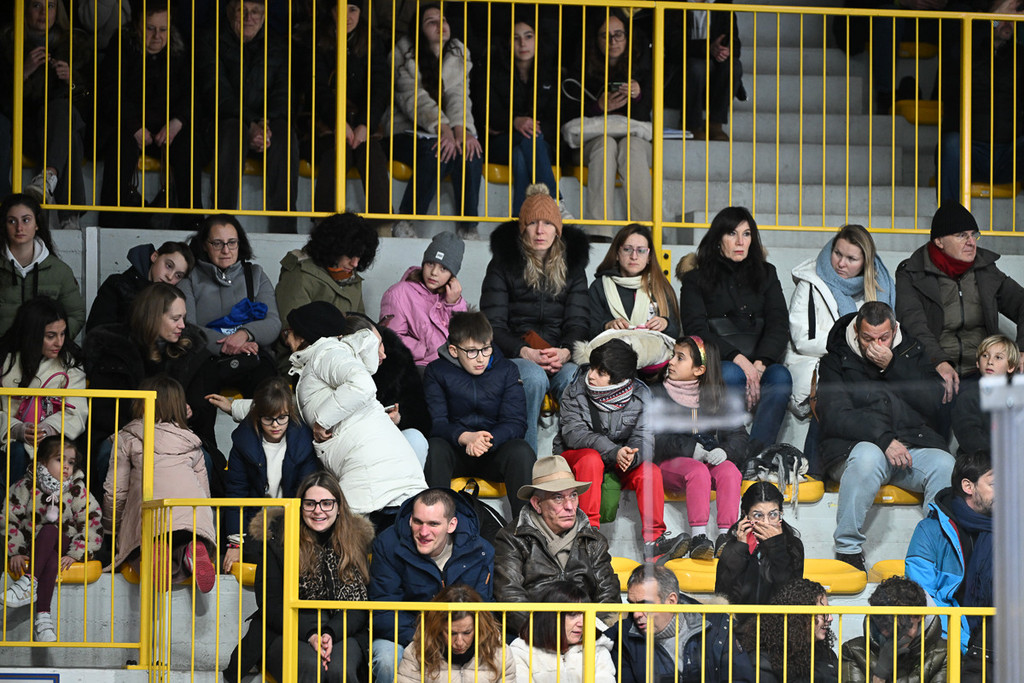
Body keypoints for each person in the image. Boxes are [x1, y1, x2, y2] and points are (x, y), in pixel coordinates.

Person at [817, 301, 954, 572]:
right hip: (854, 450)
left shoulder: (912, 350)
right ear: (856, 331)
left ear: (895, 330)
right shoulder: (836, 359)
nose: (876, 345)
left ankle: (934, 551)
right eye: (868, 338)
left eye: (884, 338)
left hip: (908, 447)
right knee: (868, 457)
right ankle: (848, 548)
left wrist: (894, 366)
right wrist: (883, 439)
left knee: (945, 465)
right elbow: (835, 415)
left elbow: (935, 402)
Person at [224, 471, 375, 683]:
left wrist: (330, 634)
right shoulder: (278, 539)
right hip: (286, 627)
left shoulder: (354, 542)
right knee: (310, 667)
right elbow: (271, 604)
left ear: (339, 507)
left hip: (341, 628)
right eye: (310, 504)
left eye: (326, 503)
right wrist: (311, 634)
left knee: (340, 670)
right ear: (300, 506)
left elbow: (359, 607)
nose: (318, 510)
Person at [284, 302, 426, 524]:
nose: (285, 337)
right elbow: (288, 406)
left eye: (290, 331)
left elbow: (362, 385)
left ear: (304, 334)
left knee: (342, 537)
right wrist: (234, 407)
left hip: (371, 474)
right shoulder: (319, 360)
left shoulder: (327, 354)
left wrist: (322, 422)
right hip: (376, 472)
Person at [480, 185, 590, 453]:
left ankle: (571, 460)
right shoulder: (502, 263)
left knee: (573, 378)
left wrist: (565, 351)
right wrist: (524, 351)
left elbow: (578, 322)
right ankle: (525, 460)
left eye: (548, 223)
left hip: (558, 355)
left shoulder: (573, 266)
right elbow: (493, 325)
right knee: (533, 378)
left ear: (558, 229)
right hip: (516, 354)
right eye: (532, 223)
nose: (540, 231)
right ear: (522, 228)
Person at [678, 206, 792, 457]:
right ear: (718, 239)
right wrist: (740, 360)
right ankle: (729, 451)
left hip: (760, 359)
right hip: (720, 360)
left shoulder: (767, 273)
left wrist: (760, 364)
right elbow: (696, 330)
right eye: (732, 233)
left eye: (747, 234)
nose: (740, 241)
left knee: (781, 377)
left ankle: (757, 455)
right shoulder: (695, 279)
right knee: (731, 373)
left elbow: (779, 323)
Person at [84, 283, 219, 493]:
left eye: (184, 318)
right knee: (107, 454)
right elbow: (104, 413)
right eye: (175, 319)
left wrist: (189, 412)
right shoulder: (114, 352)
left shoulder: (192, 354)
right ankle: (106, 514)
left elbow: (203, 408)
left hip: (177, 437)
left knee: (204, 460)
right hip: (126, 434)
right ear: (153, 317)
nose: (183, 325)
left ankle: (193, 516)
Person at [556, 339, 683, 561]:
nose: (592, 375)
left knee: (650, 471)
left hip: (618, 461)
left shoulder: (641, 395)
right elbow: (574, 434)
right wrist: (614, 451)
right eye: (592, 367)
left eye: (601, 372)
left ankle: (654, 542)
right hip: (578, 461)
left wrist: (632, 456)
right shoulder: (574, 390)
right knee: (591, 459)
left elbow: (644, 437)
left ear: (621, 379)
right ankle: (588, 537)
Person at [786, 224, 895, 475]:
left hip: (865, 368)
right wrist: (853, 347)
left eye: (851, 259)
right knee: (833, 390)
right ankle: (813, 471)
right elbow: (802, 339)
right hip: (816, 363)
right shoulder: (811, 283)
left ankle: (863, 467)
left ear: (865, 262)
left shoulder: (881, 286)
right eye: (837, 253)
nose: (841, 263)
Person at [895, 203, 1024, 406]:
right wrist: (938, 361)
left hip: (983, 370)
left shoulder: (985, 269)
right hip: (935, 370)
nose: (971, 242)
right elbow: (913, 324)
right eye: (961, 236)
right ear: (939, 241)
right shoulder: (912, 273)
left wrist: (1022, 349)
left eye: (973, 235)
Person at [102, 375, 217, 593]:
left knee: (136, 551)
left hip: (151, 515)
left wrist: (111, 529)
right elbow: (204, 490)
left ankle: (154, 550)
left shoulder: (127, 438)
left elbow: (115, 490)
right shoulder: (191, 441)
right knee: (180, 537)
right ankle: (190, 549)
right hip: (192, 516)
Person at [368, 488, 495, 683]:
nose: (424, 532)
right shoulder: (388, 544)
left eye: (433, 524)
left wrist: (452, 638)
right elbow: (384, 609)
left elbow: (482, 608)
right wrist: (428, 639)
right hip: (405, 634)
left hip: (458, 636)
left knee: (498, 654)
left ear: (452, 525)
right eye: (418, 522)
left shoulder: (480, 550)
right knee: (387, 660)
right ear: (410, 520)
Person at [196, 0, 298, 233]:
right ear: (229, 11)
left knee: (284, 133)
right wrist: (251, 122)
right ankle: (221, 223)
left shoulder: (277, 45)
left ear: (264, 15)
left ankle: (285, 227)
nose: (248, 17)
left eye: (255, 11)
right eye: (241, 11)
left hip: (264, 125)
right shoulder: (211, 40)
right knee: (233, 130)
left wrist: (264, 124)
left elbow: (284, 93)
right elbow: (217, 92)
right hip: (221, 123)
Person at [98, 0, 202, 224]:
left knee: (189, 143)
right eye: (150, 28)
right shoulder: (122, 43)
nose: (157, 36)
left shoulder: (179, 49)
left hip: (167, 128)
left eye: (163, 29)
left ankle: (192, 222)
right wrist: (134, 126)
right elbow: (110, 92)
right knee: (121, 143)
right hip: (129, 125)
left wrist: (177, 122)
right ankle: (111, 222)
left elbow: (192, 94)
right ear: (137, 25)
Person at [422, 312, 535, 517]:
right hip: (456, 451)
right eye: (472, 351)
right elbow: (437, 423)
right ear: (454, 350)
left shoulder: (507, 370)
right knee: (435, 448)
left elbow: (515, 422)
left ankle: (527, 527)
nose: (481, 358)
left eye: (486, 349)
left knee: (521, 451)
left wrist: (486, 440)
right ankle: (435, 521)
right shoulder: (436, 371)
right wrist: (465, 437)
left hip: (493, 450)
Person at [493, 456, 620, 636]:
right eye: (558, 498)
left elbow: (609, 596)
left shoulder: (594, 540)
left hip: (586, 638)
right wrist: (547, 635)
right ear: (537, 504)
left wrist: (588, 634)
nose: (569, 506)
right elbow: (509, 596)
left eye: (573, 495)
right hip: (533, 639)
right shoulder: (512, 538)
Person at [388, 2, 483, 236]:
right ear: (419, 30)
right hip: (403, 131)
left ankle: (468, 226)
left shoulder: (458, 53)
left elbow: (459, 95)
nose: (440, 25)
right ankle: (406, 221)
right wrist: (444, 128)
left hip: (443, 131)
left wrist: (461, 130)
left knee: (470, 151)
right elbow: (414, 98)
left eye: (443, 20)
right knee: (436, 150)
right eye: (431, 22)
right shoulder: (403, 54)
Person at [654, 336, 746, 559]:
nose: (671, 362)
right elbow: (655, 437)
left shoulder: (716, 395)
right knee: (697, 471)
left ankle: (726, 536)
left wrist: (725, 451)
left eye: (680, 358)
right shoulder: (659, 393)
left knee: (730, 471)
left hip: (703, 459)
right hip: (670, 462)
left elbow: (740, 435)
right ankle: (699, 538)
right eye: (673, 355)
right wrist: (690, 449)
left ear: (699, 370)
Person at [215, 377, 321, 572]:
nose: (275, 425)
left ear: (290, 413)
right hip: (256, 525)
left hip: (292, 523)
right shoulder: (243, 442)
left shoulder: (303, 442)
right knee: (264, 560)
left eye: (282, 418)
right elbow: (236, 494)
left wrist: (304, 535)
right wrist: (235, 543)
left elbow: (306, 493)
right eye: (268, 419)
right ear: (257, 415)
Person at [2, 436, 101, 642]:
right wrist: (16, 551)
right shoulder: (25, 486)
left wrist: (76, 553)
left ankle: (27, 582)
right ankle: (43, 619)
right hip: (35, 547)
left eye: (71, 462)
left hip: (65, 543)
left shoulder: (77, 489)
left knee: (49, 530)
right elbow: (9, 519)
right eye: (59, 459)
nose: (66, 466)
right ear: (42, 462)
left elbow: (92, 521)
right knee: (51, 558)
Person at [0, 0, 89, 226]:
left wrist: (71, 81)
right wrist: (23, 73)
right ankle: (69, 217)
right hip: (24, 132)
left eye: (50, 6)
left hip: (59, 129)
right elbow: (3, 104)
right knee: (68, 135)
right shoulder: (8, 43)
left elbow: (91, 107)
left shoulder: (74, 45)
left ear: (58, 11)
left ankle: (48, 179)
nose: (43, 13)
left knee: (63, 112)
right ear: (24, 9)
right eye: (36, 6)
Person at [566, 8, 653, 223]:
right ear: (596, 40)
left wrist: (638, 95)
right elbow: (568, 113)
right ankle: (600, 230)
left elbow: (646, 116)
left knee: (631, 147)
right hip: (592, 142)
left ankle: (642, 229)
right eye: (605, 35)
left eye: (618, 34)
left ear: (628, 37)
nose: (613, 41)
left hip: (635, 141)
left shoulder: (645, 70)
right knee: (605, 146)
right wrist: (598, 107)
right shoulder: (581, 69)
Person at [179, 214, 281, 396]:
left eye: (232, 242)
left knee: (269, 394)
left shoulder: (255, 275)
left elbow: (273, 323)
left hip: (251, 356)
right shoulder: (190, 278)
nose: (226, 250)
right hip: (206, 358)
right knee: (197, 396)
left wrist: (244, 334)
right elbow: (187, 327)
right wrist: (227, 345)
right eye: (217, 243)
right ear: (204, 245)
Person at [906, 450, 993, 654]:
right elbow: (922, 597)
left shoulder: (1013, 530)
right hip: (950, 645)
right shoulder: (930, 531)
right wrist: (966, 645)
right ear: (968, 486)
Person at [311, 0, 391, 216]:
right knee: (337, 153)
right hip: (325, 125)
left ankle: (382, 226)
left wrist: (365, 124)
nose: (347, 15)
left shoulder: (372, 41)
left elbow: (379, 88)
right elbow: (317, 89)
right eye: (340, 8)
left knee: (373, 154)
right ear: (331, 11)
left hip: (363, 125)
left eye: (353, 9)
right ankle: (325, 224)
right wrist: (338, 122)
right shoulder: (317, 40)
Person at [0, 297, 87, 490]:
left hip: (55, 441)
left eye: (63, 334)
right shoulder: (4, 360)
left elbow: (77, 411)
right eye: (51, 336)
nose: (59, 342)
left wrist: (48, 429)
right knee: (16, 452)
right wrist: (15, 429)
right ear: (32, 334)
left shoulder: (70, 364)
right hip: (8, 442)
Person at [607, 564, 741, 683]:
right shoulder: (623, 636)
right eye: (632, 605)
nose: (636, 614)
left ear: (671, 601)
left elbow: (741, 678)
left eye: (645, 604)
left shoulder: (717, 627)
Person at [486, 14, 560, 214]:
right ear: (508, 42)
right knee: (529, 139)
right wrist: (514, 121)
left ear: (537, 40)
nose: (522, 43)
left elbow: (557, 120)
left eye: (528, 36)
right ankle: (554, 202)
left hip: (540, 144)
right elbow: (488, 115)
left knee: (522, 153)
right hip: (503, 142)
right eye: (515, 38)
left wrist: (532, 127)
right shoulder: (493, 72)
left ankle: (518, 220)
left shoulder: (551, 74)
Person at [0, 194, 86, 339]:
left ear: (37, 224)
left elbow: (76, 314)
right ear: (4, 225)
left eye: (26, 220)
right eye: (12, 221)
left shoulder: (60, 271)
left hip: (45, 352)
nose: (19, 227)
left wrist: (53, 341)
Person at [380, 231, 468, 367]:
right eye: (430, 264)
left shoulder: (452, 297)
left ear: (452, 275)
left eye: (443, 268)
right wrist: (425, 350)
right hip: (417, 366)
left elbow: (464, 338)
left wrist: (453, 304)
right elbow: (391, 337)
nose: (434, 272)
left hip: (450, 366)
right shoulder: (398, 293)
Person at [396, 584, 515, 683]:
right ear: (437, 628)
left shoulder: (499, 652)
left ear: (479, 627)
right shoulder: (417, 652)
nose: (459, 642)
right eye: (451, 633)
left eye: (467, 632)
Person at [841, 576, 948, 683]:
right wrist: (879, 676)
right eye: (888, 626)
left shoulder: (944, 654)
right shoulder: (854, 652)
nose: (897, 635)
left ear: (919, 617)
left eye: (904, 626)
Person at [276, 212, 380, 321]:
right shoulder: (299, 276)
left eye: (359, 256)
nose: (355, 263)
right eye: (350, 255)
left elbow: (361, 322)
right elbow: (292, 326)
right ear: (333, 249)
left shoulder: (352, 279)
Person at [714, 482, 804, 605]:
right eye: (758, 515)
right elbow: (723, 594)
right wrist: (740, 549)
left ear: (781, 513)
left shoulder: (792, 545)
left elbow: (791, 595)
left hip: (777, 616)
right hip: (741, 616)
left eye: (773, 515)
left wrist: (776, 547)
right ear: (745, 515)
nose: (766, 522)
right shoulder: (732, 546)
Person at [508, 581, 616, 683]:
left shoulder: (597, 649)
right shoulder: (521, 651)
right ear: (551, 617)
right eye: (573, 614)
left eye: (584, 614)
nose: (582, 623)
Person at [737, 578, 839, 683]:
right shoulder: (765, 659)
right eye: (822, 613)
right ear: (800, 616)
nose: (830, 618)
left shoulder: (827, 654)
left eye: (828, 611)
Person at [589, 223, 681, 338]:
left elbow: (676, 333)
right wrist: (606, 326)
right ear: (617, 254)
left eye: (641, 251)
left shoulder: (660, 286)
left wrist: (666, 324)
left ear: (649, 257)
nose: (634, 256)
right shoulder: (600, 286)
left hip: (652, 349)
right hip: (611, 348)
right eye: (627, 249)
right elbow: (588, 331)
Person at [85, 241, 194, 331]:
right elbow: (96, 332)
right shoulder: (117, 285)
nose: (170, 277)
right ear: (155, 256)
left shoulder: (174, 301)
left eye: (178, 275)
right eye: (169, 266)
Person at [953, 334, 1018, 456]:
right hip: (979, 460)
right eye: (985, 356)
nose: (990, 362)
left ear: (1011, 367)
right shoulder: (968, 397)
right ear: (977, 363)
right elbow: (970, 439)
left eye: (998, 357)